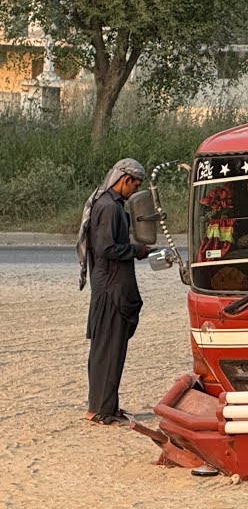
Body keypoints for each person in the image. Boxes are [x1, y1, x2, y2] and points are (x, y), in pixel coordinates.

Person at [76, 159, 150, 425]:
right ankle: (98, 410)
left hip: (112, 285)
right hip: (110, 288)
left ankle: (108, 405)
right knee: (107, 349)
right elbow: (106, 248)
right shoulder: (108, 207)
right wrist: (136, 250)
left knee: (113, 348)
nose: (135, 189)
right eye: (136, 184)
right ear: (124, 179)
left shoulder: (113, 205)